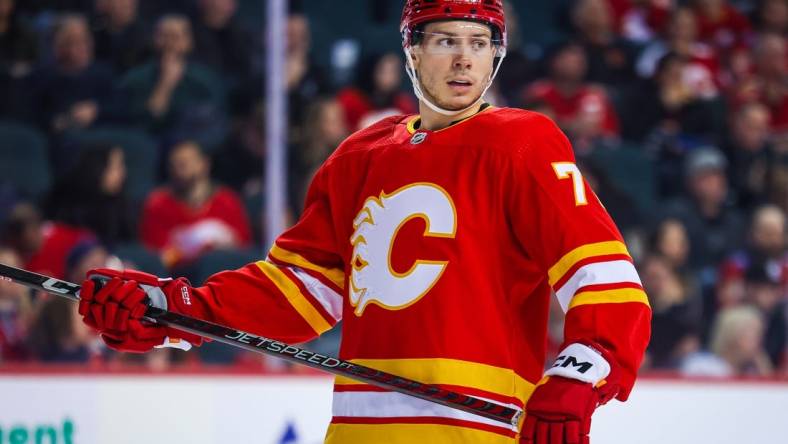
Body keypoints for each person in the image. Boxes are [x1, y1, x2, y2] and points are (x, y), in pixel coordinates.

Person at [77, 2, 651, 443]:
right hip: (360, 430)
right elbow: (300, 292)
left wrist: (580, 375)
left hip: (479, 431)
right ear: (412, 50)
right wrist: (177, 309)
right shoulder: (360, 155)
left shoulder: (522, 143)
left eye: (479, 43)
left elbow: (605, 278)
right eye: (446, 41)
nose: (464, 59)